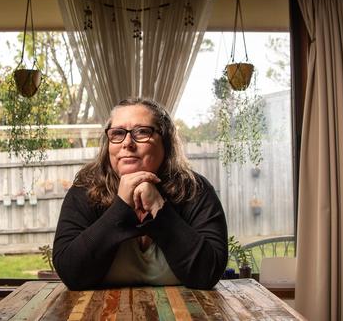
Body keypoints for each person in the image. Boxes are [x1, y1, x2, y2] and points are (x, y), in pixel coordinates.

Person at [53, 97, 228, 290]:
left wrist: (159, 209)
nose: (127, 143)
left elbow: (208, 274)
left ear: (166, 141)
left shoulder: (195, 190)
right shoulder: (84, 190)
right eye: (118, 133)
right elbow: (71, 274)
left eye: (142, 132)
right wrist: (120, 207)